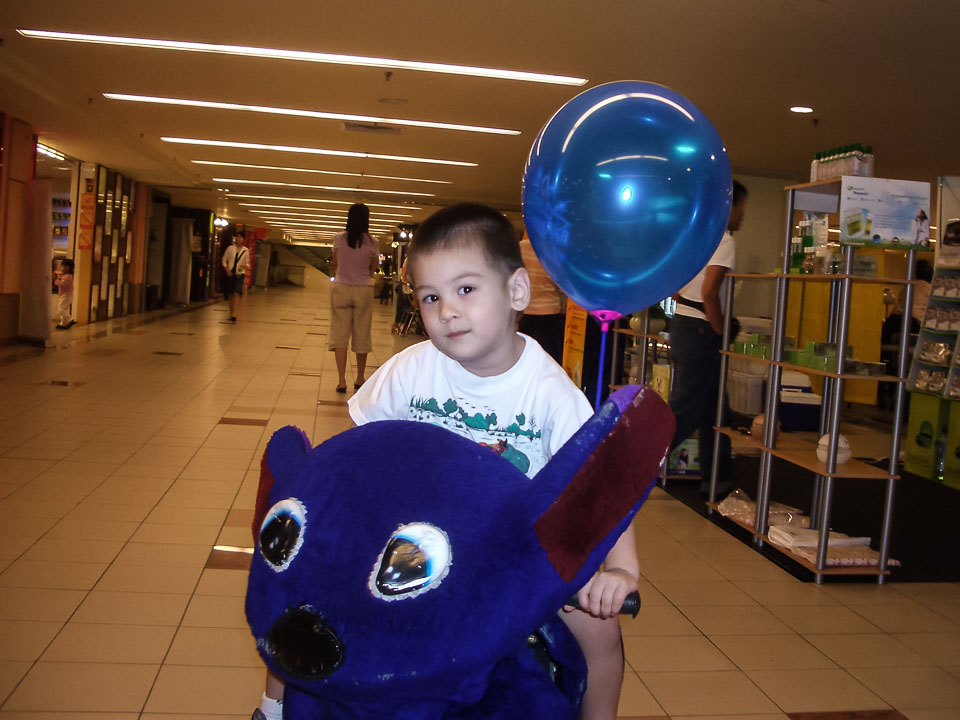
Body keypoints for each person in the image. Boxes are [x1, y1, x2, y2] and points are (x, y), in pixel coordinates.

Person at [349, 203, 638, 720]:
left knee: (599, 631)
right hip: (419, 542)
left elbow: (603, 484)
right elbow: (355, 455)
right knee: (320, 595)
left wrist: (620, 569)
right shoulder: (410, 370)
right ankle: (277, 703)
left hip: (520, 555)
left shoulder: (549, 391)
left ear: (517, 291)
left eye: (465, 289)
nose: (447, 311)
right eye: (431, 297)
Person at [669, 180, 747, 495]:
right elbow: (710, 292)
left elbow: (674, 286)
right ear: (728, 207)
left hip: (683, 326)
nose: (743, 215)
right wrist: (720, 329)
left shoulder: (695, 236)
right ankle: (633, 464)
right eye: (741, 207)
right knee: (685, 410)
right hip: (701, 330)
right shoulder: (723, 240)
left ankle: (717, 479)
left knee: (714, 409)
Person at [329, 203, 380, 393]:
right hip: (363, 289)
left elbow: (335, 263)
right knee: (362, 333)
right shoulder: (373, 242)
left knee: (339, 334)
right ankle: (359, 378)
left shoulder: (338, 239)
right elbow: (373, 267)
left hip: (341, 288)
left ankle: (341, 381)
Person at [518, 232, 566, 365]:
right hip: (549, 312)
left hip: (525, 312)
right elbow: (562, 284)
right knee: (549, 358)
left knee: (526, 356)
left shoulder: (520, 248)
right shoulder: (553, 251)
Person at [222, 233, 250, 322]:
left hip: (240, 274)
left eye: (240, 237)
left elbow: (248, 264)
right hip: (230, 273)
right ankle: (231, 313)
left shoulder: (246, 250)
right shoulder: (230, 248)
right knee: (230, 293)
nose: (238, 239)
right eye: (237, 237)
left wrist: (244, 266)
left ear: (243, 239)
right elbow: (224, 260)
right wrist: (227, 269)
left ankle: (234, 313)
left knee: (236, 293)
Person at [54, 258, 75, 329]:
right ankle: (63, 323)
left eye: (63, 266)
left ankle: (70, 319)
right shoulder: (67, 276)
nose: (62, 268)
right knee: (64, 309)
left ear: (67, 267)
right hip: (66, 295)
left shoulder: (68, 276)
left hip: (66, 296)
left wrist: (56, 280)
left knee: (61, 310)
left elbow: (62, 285)